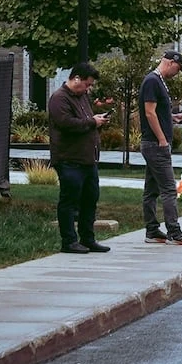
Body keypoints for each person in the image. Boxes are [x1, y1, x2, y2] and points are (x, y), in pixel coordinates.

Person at [48, 62, 111, 254]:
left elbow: (85, 119)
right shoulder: (59, 98)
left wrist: (95, 119)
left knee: (90, 199)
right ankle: (69, 240)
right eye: (87, 84)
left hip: (87, 159)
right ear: (76, 79)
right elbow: (67, 123)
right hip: (69, 159)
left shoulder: (82, 96)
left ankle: (87, 238)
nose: (88, 88)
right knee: (70, 200)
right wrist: (93, 122)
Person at [139, 50, 182, 245]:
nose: (178, 72)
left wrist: (172, 118)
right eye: (178, 68)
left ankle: (152, 230)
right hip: (156, 145)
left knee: (151, 190)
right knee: (168, 190)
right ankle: (174, 231)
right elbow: (149, 113)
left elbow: (158, 112)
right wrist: (162, 140)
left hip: (154, 144)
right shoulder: (152, 81)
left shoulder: (158, 81)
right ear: (171, 63)